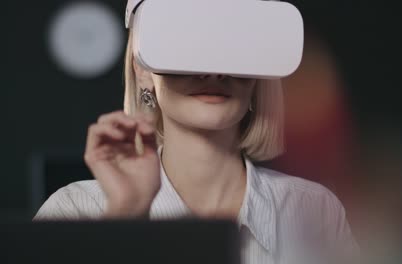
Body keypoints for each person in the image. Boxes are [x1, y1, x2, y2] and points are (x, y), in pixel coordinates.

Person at [34, 13, 359, 264]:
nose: (213, 71)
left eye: (234, 48)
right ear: (143, 69)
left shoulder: (314, 210)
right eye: (186, 44)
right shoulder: (76, 210)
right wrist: (126, 218)